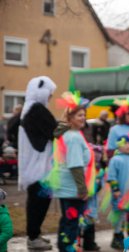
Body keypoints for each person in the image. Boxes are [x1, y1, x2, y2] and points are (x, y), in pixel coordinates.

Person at [47, 91, 94, 251]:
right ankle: (67, 248)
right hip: (73, 189)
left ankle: (63, 246)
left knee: (67, 220)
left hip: (67, 187)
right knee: (71, 223)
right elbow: (75, 165)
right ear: (71, 117)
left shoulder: (70, 134)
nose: (83, 118)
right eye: (80, 115)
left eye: (84, 115)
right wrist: (82, 189)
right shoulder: (73, 137)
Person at [18, 76, 57, 250]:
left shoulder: (28, 109)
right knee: (38, 202)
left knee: (38, 201)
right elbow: (55, 131)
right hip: (38, 168)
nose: (50, 97)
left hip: (35, 166)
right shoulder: (36, 109)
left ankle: (35, 234)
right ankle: (33, 237)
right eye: (49, 93)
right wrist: (69, 122)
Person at [106, 135, 129, 249]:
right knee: (119, 217)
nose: (127, 145)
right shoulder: (115, 160)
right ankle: (117, 237)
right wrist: (115, 189)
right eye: (124, 143)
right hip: (120, 195)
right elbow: (112, 176)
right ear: (118, 146)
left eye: (128, 143)